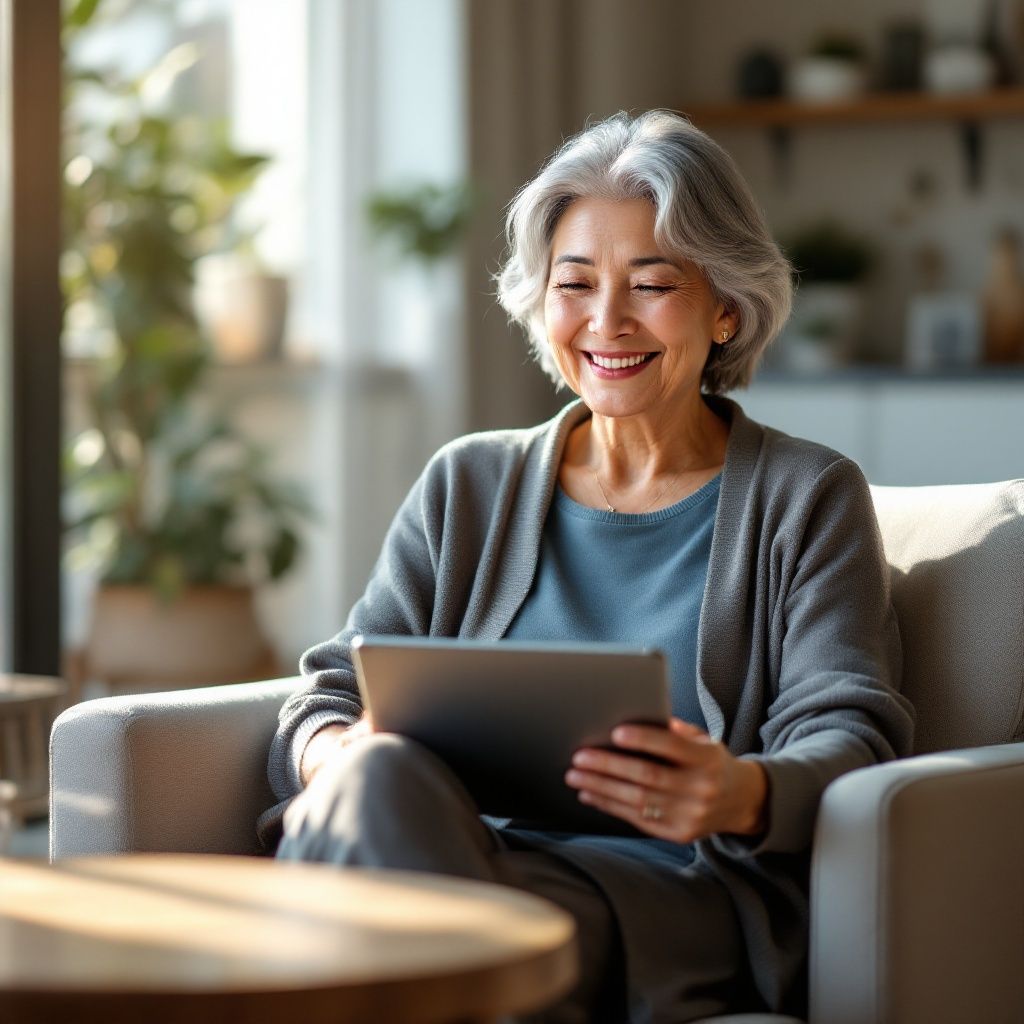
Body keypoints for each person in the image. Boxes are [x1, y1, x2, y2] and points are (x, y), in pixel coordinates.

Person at [259, 110, 914, 1022]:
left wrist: (739, 791)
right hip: (451, 852)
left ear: (726, 306)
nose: (607, 321)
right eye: (575, 284)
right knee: (375, 778)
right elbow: (330, 689)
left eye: (651, 284)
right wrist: (336, 752)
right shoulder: (468, 483)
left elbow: (854, 728)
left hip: (658, 899)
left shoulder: (807, 496)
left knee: (376, 896)